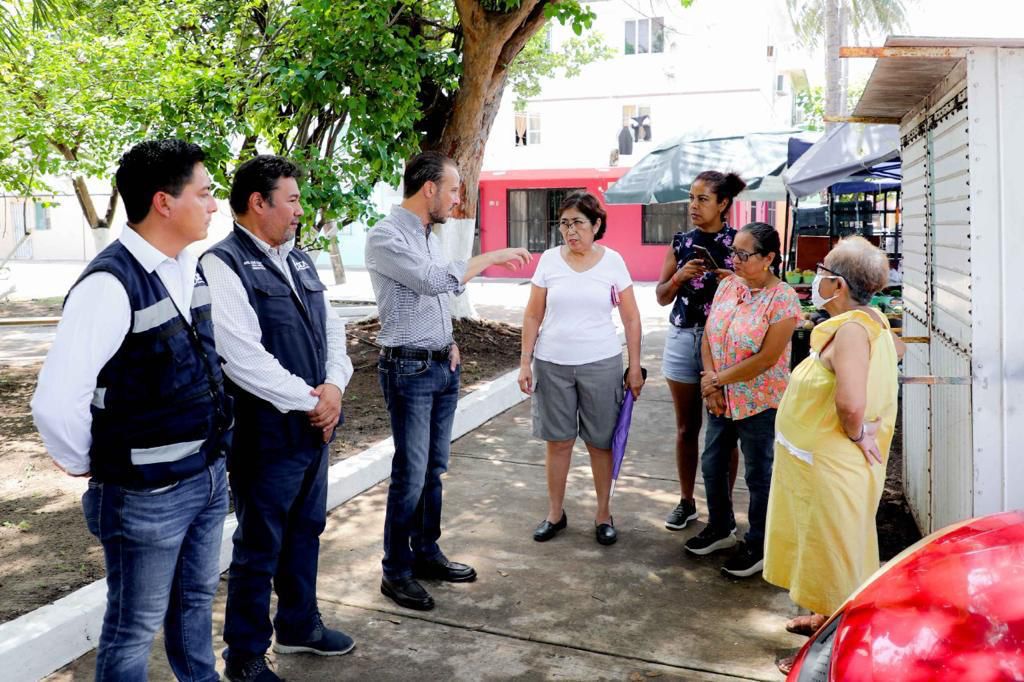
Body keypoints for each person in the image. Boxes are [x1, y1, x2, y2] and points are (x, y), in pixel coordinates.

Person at [31, 139, 232, 681]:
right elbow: (56, 402)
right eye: (204, 193)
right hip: (146, 495)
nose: (214, 204)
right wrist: (93, 463)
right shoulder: (109, 284)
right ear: (164, 202)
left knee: (195, 603)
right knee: (133, 628)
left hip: (207, 475)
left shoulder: (187, 267)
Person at [201, 155, 354, 682]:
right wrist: (314, 401)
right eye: (291, 200)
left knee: (307, 529)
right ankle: (244, 656)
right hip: (265, 435)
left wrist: (334, 387)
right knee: (259, 544)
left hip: (313, 428)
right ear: (257, 203)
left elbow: (333, 330)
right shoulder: (221, 264)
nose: (299, 210)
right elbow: (240, 356)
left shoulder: (300, 259)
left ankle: (299, 625)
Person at [365, 151, 531, 611]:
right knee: (410, 474)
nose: (458, 199)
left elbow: (437, 297)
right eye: (454, 190)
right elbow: (432, 281)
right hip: (408, 371)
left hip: (441, 365)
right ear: (429, 189)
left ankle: (425, 553)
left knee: (433, 470)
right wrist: (490, 257)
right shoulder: (386, 236)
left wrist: (449, 341)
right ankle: (395, 571)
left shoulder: (428, 235)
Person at [763, 237, 903, 674]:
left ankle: (829, 657)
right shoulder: (865, 321)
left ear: (837, 284)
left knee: (835, 558)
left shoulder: (853, 331)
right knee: (822, 552)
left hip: (832, 468)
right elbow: (893, 354)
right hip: (816, 465)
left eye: (821, 270)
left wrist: (858, 430)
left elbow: (850, 403)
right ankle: (824, 619)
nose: (816, 277)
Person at [518, 192, 644, 546]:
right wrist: (525, 361)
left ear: (596, 224)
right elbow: (533, 314)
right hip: (552, 364)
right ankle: (555, 514)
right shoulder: (549, 260)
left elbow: (631, 318)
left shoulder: (613, 262)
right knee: (558, 443)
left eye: (578, 223)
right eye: (564, 224)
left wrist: (635, 366)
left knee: (600, 443)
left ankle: (603, 514)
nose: (570, 231)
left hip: (601, 363)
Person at [684, 222, 801, 578]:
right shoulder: (729, 285)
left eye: (744, 254)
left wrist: (717, 380)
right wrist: (711, 385)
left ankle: (759, 544)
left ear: (768, 258)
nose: (734, 259)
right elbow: (710, 335)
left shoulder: (783, 299)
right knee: (712, 464)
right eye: (733, 251)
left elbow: (767, 358)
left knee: (759, 475)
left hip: (760, 403)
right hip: (721, 398)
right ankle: (720, 528)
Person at [655, 171, 744, 531]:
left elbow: (763, 293)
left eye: (703, 199)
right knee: (686, 428)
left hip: (724, 345)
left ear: (723, 204)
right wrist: (679, 277)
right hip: (682, 337)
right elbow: (661, 296)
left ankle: (723, 510)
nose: (693, 205)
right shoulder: (681, 242)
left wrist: (733, 280)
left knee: (724, 430)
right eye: (691, 198)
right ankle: (686, 501)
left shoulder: (740, 243)